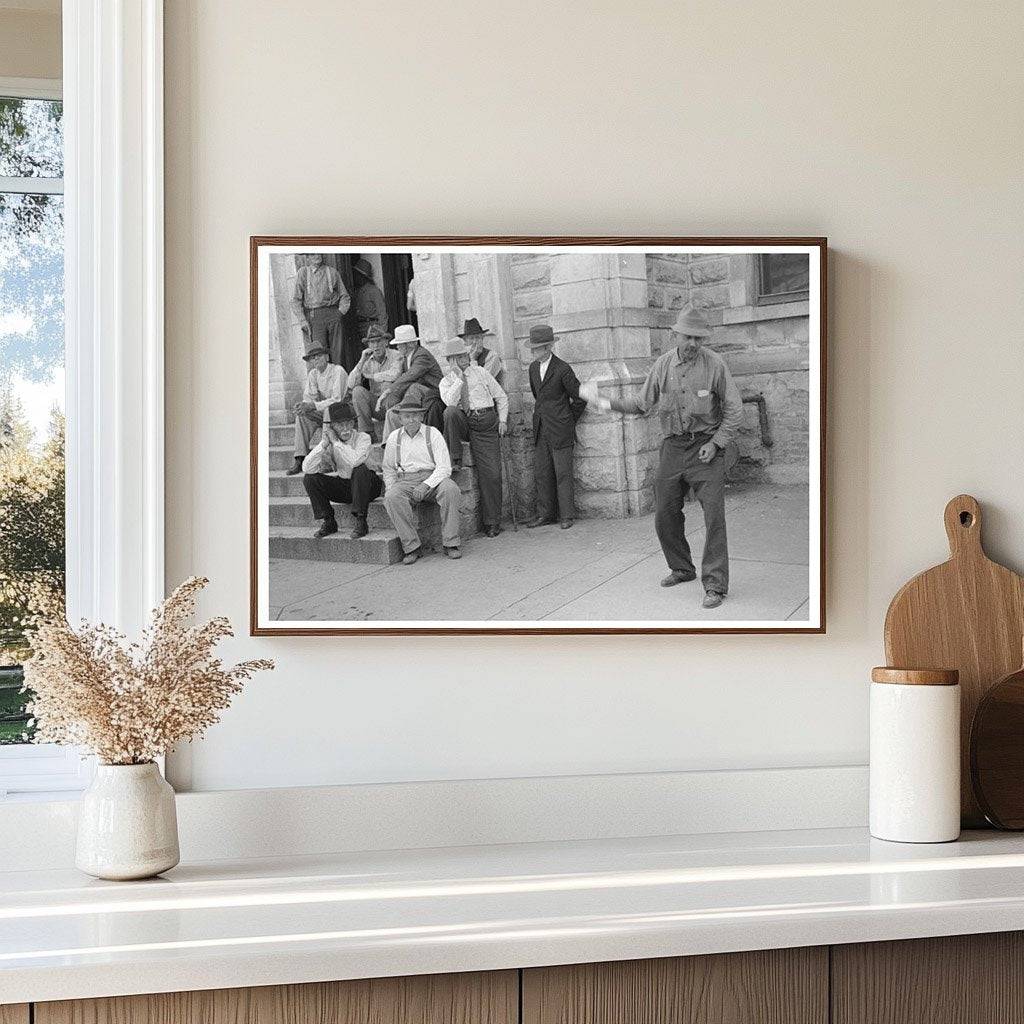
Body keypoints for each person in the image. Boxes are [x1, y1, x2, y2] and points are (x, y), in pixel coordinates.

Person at [583, 304, 743, 609]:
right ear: (676, 336)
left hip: (706, 447)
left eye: (699, 338)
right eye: (688, 337)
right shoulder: (662, 366)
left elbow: (735, 409)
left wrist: (718, 443)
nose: (694, 344)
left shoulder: (715, 365)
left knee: (714, 517)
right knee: (665, 513)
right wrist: (603, 403)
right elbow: (641, 404)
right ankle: (682, 568)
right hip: (672, 448)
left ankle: (715, 584)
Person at [440, 337, 508, 538]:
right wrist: (459, 378)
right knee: (450, 413)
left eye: (464, 355)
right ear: (450, 361)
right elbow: (450, 402)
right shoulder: (447, 381)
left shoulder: (481, 372)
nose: (463, 359)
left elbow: (501, 396)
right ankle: (455, 458)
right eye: (458, 357)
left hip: (486, 423)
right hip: (464, 421)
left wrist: (502, 420)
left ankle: (493, 522)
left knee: (493, 474)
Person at [382, 396, 463, 564]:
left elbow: (444, 467)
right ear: (400, 419)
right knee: (391, 497)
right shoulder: (394, 437)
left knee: (451, 489)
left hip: (432, 478)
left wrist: (426, 485)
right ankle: (412, 547)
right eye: (406, 416)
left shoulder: (432, 433)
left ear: (421, 416)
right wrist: (391, 487)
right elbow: (389, 468)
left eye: (414, 415)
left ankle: (451, 543)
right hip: (405, 480)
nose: (411, 419)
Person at [525, 324, 586, 530]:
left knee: (563, 473)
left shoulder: (563, 369)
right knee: (542, 473)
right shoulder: (533, 368)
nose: (533, 352)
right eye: (533, 348)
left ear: (548, 347)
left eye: (537, 348)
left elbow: (580, 398)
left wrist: (567, 419)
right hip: (541, 428)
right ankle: (546, 514)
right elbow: (538, 395)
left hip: (560, 429)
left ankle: (567, 515)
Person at [301, 401, 382, 540]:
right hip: (346, 486)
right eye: (339, 425)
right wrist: (323, 444)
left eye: (348, 423)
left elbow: (355, 461)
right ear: (332, 427)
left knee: (360, 468)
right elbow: (307, 468)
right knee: (309, 478)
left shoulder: (363, 438)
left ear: (353, 423)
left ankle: (361, 520)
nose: (345, 428)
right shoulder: (331, 442)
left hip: (369, 486)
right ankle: (329, 521)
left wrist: (337, 443)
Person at [288, 346, 346, 476]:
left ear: (327, 357)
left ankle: (327, 460)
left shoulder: (338, 371)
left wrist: (313, 405)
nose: (315, 359)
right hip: (323, 412)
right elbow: (308, 400)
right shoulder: (313, 374)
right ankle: (300, 457)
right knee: (302, 415)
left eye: (318, 356)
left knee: (328, 410)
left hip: (342, 412)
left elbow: (337, 400)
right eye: (312, 358)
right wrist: (302, 406)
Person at [379, 324, 445, 435]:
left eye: (399, 344)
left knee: (413, 387)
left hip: (434, 394)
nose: (397, 347)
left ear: (409, 344)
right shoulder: (406, 357)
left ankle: (404, 411)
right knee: (391, 413)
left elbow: (411, 376)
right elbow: (401, 378)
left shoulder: (422, 355)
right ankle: (391, 444)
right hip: (417, 394)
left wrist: (389, 390)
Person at [292, 254, 351, 366]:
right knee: (318, 352)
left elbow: (345, 296)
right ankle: (323, 381)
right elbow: (295, 300)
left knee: (337, 351)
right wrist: (302, 320)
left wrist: (340, 312)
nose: (317, 256)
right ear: (307, 258)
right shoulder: (303, 273)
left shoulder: (332, 272)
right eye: (313, 253)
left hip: (333, 313)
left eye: (318, 252)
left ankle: (337, 380)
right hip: (315, 316)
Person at [347, 324, 401, 439]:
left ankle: (391, 435)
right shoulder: (367, 361)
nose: (375, 346)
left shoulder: (396, 355)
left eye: (378, 341)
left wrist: (372, 376)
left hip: (394, 404)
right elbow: (350, 384)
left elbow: (394, 374)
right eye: (372, 342)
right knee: (357, 391)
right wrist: (361, 360)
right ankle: (368, 433)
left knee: (386, 384)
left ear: (386, 342)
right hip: (376, 406)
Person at [458, 317, 504, 384]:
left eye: (477, 337)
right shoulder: (464, 358)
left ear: (482, 338)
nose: (474, 342)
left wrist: (473, 360)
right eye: (471, 338)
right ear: (465, 341)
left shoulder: (492, 356)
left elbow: (482, 384)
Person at [352, 257, 388, 340]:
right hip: (359, 328)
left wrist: (382, 333)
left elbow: (382, 313)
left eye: (357, 274)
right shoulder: (356, 291)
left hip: (372, 327)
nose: (355, 277)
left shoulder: (373, 290)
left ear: (362, 276)